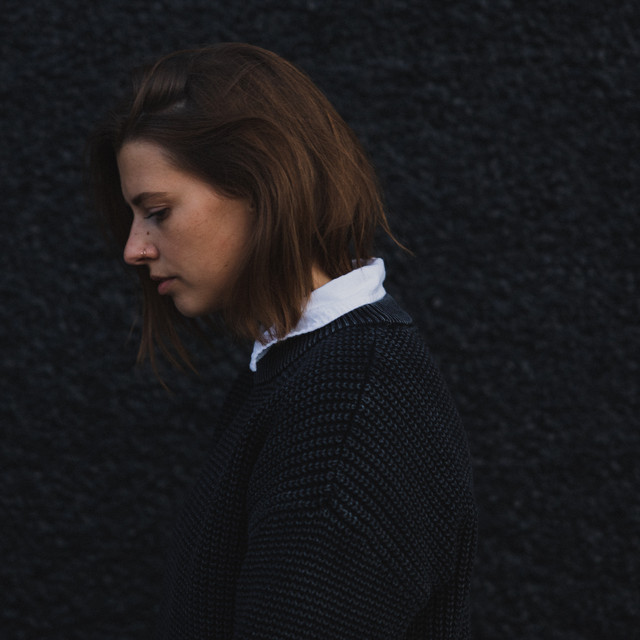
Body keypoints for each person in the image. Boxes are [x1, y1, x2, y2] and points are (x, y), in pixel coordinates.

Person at [89, 42, 476, 640]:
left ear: (260, 186)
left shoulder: (350, 406)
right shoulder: (305, 369)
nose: (133, 249)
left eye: (158, 211)